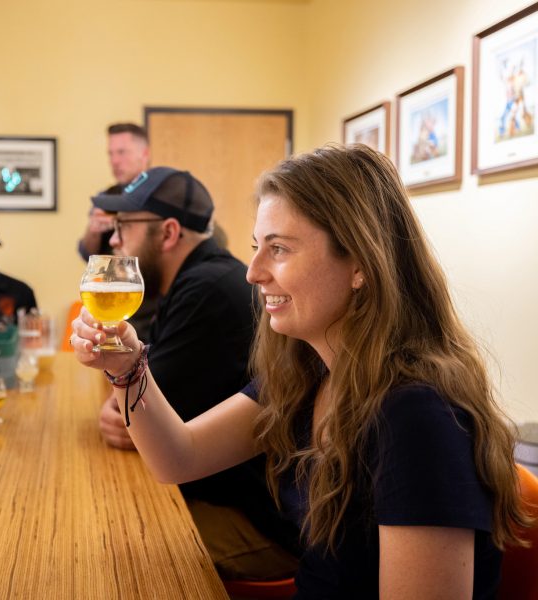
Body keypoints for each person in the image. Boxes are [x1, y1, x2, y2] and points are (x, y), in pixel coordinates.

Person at [71, 144, 529, 598]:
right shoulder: (307, 373)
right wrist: (129, 367)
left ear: (360, 265)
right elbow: (179, 458)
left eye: (279, 249)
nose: (252, 273)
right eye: (256, 248)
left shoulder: (416, 417)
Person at [90, 166, 301, 580]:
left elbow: (132, 415)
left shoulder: (208, 290)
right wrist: (122, 371)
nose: (113, 241)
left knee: (115, 563)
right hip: (211, 487)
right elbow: (137, 406)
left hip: (256, 520)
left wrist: (127, 388)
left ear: (168, 233)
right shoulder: (187, 283)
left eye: (122, 227)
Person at [77, 123, 151, 262]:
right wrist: (93, 230)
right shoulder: (105, 198)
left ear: (144, 154)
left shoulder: (163, 195)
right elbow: (87, 255)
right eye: (111, 154)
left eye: (122, 152)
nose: (114, 161)